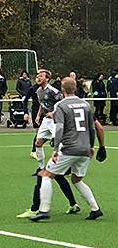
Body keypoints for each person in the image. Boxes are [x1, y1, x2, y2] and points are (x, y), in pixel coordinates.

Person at [30, 77, 103, 222]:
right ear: (75, 88)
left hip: (69, 148)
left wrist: (56, 148)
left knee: (46, 175)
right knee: (76, 179)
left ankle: (44, 210)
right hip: (84, 149)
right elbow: (93, 127)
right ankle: (95, 209)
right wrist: (91, 146)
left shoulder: (60, 105)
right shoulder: (85, 104)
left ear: (62, 89)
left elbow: (59, 128)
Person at [31, 70, 63, 174]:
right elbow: (42, 103)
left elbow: (62, 103)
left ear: (47, 79)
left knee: (58, 144)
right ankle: (41, 168)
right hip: (46, 120)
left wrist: (53, 113)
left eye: (41, 76)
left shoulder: (53, 90)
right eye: (37, 76)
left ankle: (66, 166)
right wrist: (38, 115)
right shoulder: (39, 91)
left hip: (55, 119)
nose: (38, 78)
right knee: (38, 143)